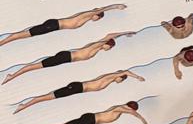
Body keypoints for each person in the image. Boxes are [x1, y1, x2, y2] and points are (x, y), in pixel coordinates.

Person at [3, 32, 133, 83]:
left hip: (66, 58)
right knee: (37, 66)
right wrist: (125, 33)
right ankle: (12, 75)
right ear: (107, 44)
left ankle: (13, 75)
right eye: (110, 47)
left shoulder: (97, 49)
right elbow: (110, 35)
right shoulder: (96, 45)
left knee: (37, 66)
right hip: (66, 57)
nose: (109, 49)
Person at [17, 69, 143, 112]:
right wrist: (137, 77)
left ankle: (26, 104)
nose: (120, 82)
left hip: (78, 89)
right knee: (49, 96)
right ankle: (25, 105)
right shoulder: (110, 77)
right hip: (78, 87)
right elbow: (126, 71)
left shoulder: (109, 81)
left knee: (50, 97)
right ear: (120, 76)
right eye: (122, 79)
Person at [0, 5, 125, 46]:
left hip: (54, 26)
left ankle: (4, 41)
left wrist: (122, 35)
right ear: (96, 14)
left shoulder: (86, 19)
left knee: (27, 34)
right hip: (54, 25)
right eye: (98, 17)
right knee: (25, 34)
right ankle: (3, 42)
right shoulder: (87, 14)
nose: (97, 19)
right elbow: (102, 9)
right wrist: (116, 7)